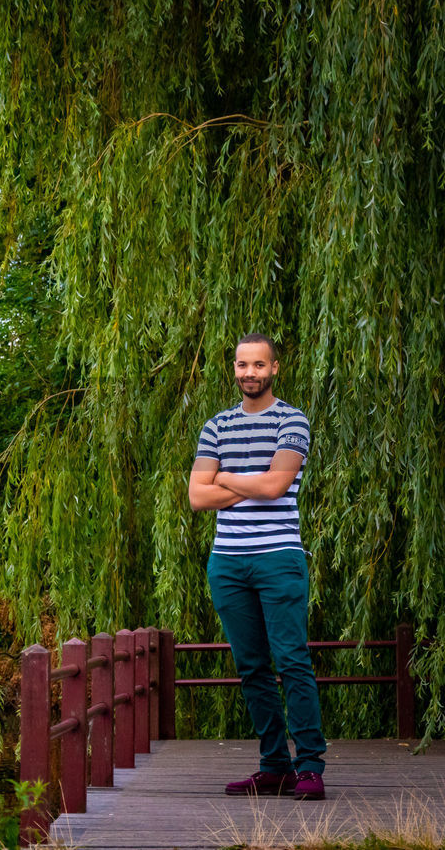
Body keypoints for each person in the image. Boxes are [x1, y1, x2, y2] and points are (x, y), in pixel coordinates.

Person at [187, 333, 326, 801]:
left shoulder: (292, 420)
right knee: (251, 667)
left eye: (259, 365)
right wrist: (253, 480)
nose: (250, 373)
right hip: (226, 561)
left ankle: (309, 767)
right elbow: (196, 497)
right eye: (242, 365)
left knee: (291, 660)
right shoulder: (216, 425)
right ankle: (275, 767)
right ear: (234, 369)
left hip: (278, 557)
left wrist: (222, 476)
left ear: (274, 368)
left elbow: (275, 487)